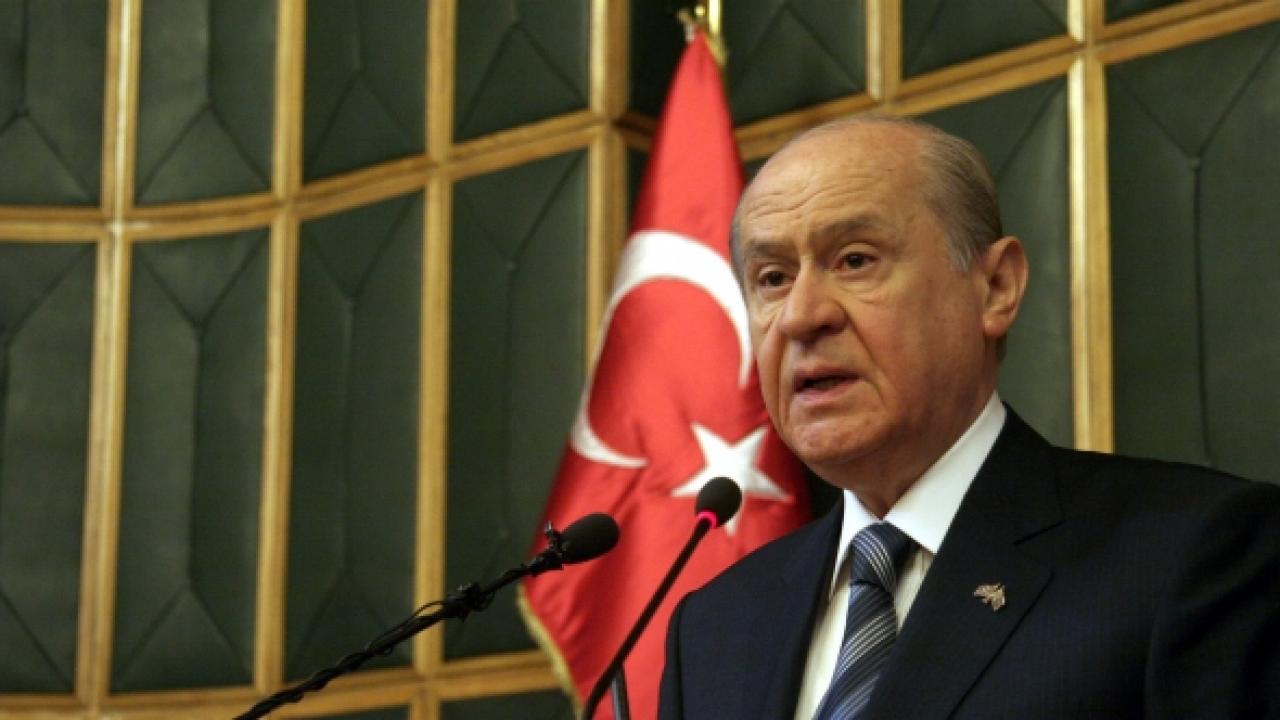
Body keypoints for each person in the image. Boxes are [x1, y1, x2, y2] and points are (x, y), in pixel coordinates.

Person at [657, 116, 1280, 719]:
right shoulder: (713, 627)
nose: (801, 316)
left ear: (996, 287)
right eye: (772, 278)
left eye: (855, 260)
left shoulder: (1190, 554)